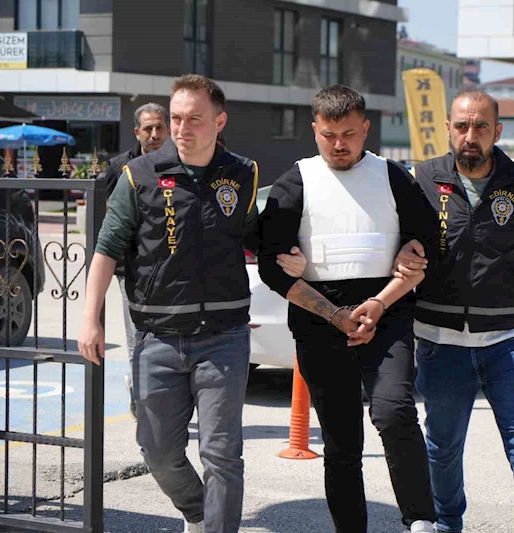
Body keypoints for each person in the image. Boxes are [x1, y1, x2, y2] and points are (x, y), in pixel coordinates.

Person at [78, 75, 259, 533]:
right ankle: (197, 512)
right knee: (158, 453)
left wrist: (289, 257)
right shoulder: (138, 176)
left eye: (193, 118)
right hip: (156, 337)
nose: (181, 128)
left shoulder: (242, 174)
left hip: (224, 337)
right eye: (176, 118)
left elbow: (260, 238)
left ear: (219, 121)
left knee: (221, 453)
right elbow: (106, 249)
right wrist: (90, 318)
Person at [258, 85, 438, 533]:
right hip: (320, 327)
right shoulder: (295, 182)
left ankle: (421, 520)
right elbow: (271, 267)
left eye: (349, 134)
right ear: (314, 130)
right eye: (329, 135)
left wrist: (382, 299)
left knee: (394, 413)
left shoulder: (393, 177)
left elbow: (427, 246)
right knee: (341, 445)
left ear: (366, 129)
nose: (339, 144)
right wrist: (333, 315)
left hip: (388, 317)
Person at [394, 89, 514, 533]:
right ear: (448, 128)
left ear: (497, 132)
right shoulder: (422, 179)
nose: (471, 135)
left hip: (510, 340)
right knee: (443, 447)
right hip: (441, 341)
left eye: (481, 126)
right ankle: (448, 523)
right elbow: (400, 242)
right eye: (463, 125)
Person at [98, 102, 169, 419]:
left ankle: (150, 389)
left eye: (160, 127)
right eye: (148, 128)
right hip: (132, 269)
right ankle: (141, 399)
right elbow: (108, 220)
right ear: (137, 132)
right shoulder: (119, 167)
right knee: (136, 335)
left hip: (170, 266)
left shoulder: (179, 162)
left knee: (163, 334)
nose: (155, 134)